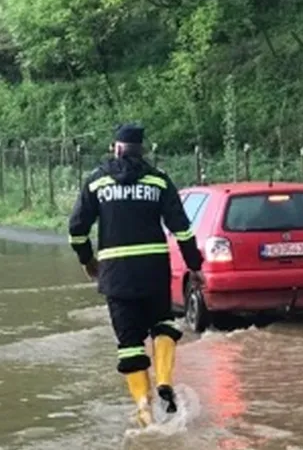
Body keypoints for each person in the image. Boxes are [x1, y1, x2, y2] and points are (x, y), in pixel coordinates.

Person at [68, 124, 204, 428]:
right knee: (164, 324)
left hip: (116, 276)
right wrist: (194, 263)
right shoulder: (158, 180)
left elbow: (76, 229)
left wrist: (87, 260)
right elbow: (181, 228)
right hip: (154, 272)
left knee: (129, 342)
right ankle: (165, 380)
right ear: (142, 150)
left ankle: (144, 406)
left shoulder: (95, 183)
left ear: (115, 148)